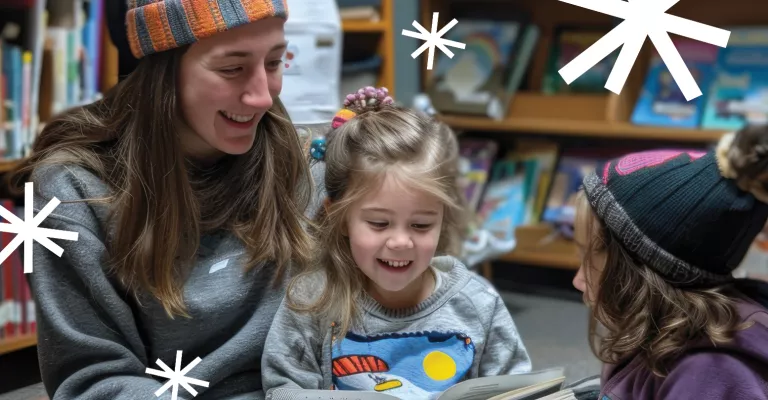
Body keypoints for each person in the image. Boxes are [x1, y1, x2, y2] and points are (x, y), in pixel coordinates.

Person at [11, 1, 322, 399]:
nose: (263, 97)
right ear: (165, 71)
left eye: (275, 63)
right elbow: (92, 381)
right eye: (232, 68)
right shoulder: (72, 192)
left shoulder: (308, 164)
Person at [261, 87, 532, 399]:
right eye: (379, 223)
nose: (401, 242)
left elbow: (518, 388)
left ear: (443, 217)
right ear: (338, 216)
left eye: (421, 225)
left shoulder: (478, 304)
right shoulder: (312, 301)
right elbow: (283, 390)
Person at [571, 125, 768, 400]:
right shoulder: (652, 330)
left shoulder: (709, 375)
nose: (577, 280)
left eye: (589, 258)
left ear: (639, 275)